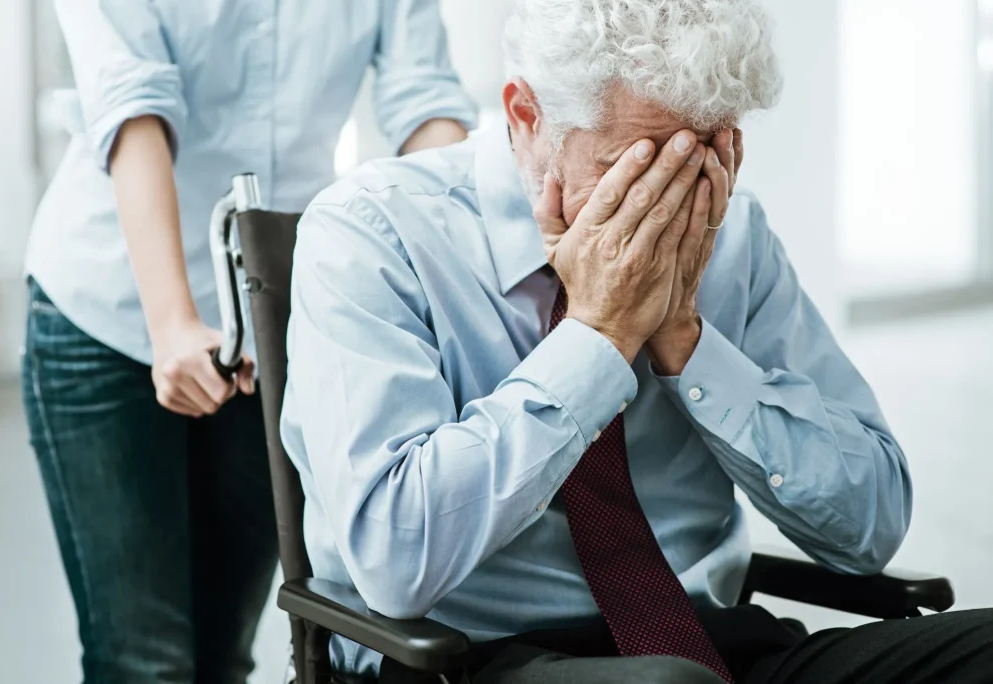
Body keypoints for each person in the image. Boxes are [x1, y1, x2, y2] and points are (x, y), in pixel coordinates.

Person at [280, 1, 993, 683]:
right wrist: (597, 337)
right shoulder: (371, 232)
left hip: (713, 642)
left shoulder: (733, 235)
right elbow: (396, 557)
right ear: (527, 118)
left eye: (704, 158)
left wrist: (688, 339)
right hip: (472, 660)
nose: (673, 202)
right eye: (640, 167)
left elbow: (869, 526)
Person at [20, 2, 477, 682]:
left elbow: (425, 101)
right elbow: (131, 100)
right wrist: (172, 322)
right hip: (111, 307)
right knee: (145, 660)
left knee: (224, 654)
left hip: (272, 322)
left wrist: (459, 278)